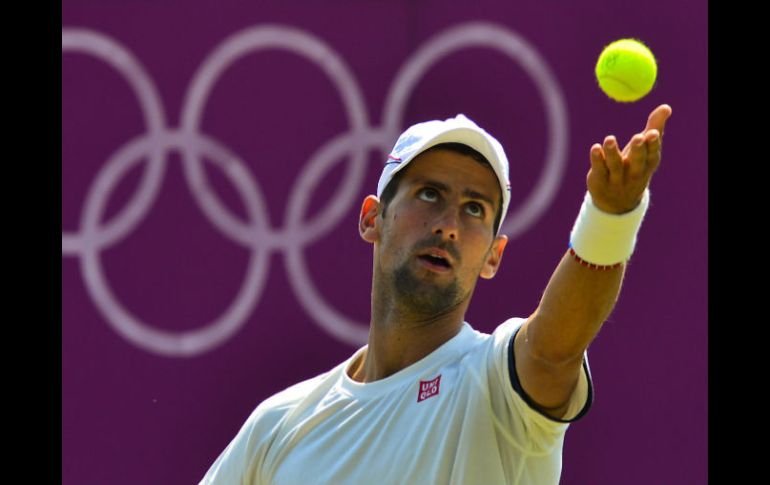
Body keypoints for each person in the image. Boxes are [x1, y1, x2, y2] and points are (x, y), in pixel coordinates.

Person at [200, 105, 672, 485]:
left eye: (474, 209)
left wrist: (610, 219)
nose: (448, 225)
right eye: (429, 194)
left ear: (493, 256)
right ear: (372, 218)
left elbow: (552, 353)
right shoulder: (279, 425)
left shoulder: (495, 385)